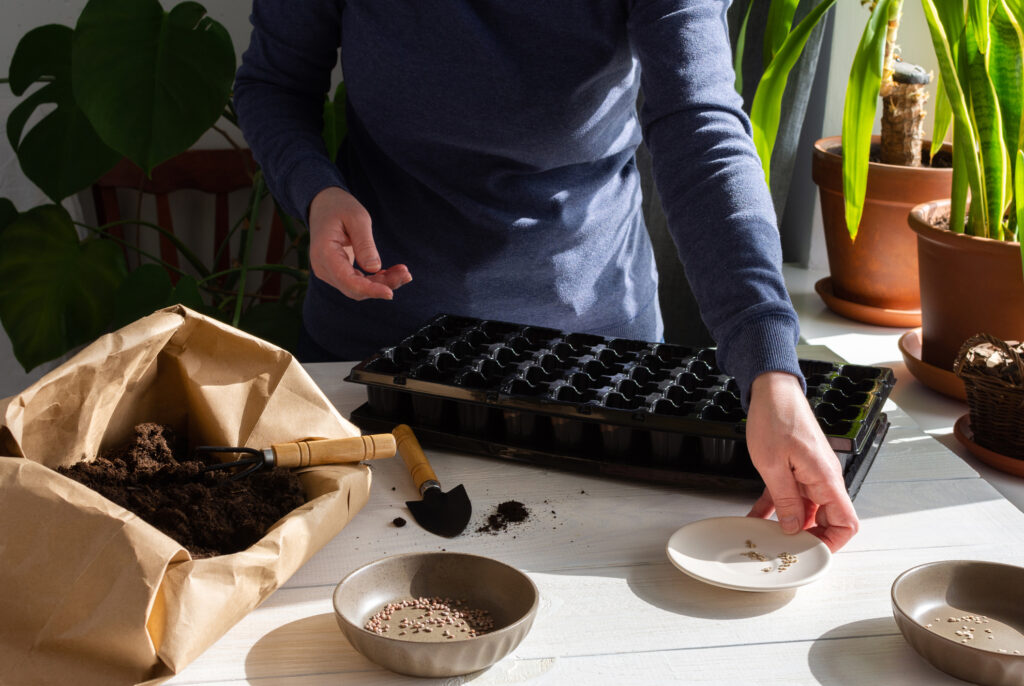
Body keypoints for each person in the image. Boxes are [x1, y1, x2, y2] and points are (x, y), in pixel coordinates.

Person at [233, 1, 859, 551]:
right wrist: (316, 193)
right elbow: (274, 85)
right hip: (372, 362)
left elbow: (701, 126)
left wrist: (770, 369)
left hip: (595, 376)